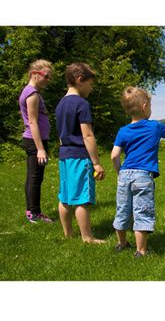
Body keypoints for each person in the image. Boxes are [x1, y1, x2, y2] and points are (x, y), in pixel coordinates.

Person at [111, 86, 165, 257]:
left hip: (125, 174)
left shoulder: (123, 131)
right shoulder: (154, 127)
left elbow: (114, 155)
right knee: (142, 211)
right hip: (143, 175)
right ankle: (141, 251)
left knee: (122, 209)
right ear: (144, 107)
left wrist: (120, 172)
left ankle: (121, 244)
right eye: (150, 105)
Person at [55, 62, 106, 244]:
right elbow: (87, 134)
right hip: (79, 156)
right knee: (81, 199)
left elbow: (61, 134)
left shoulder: (60, 104)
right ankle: (87, 237)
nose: (91, 88)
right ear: (79, 80)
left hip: (64, 156)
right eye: (90, 84)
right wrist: (96, 162)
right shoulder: (82, 104)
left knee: (65, 197)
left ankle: (68, 234)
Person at [19, 59, 54, 223]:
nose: (48, 80)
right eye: (46, 76)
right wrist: (40, 148)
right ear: (35, 73)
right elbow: (32, 122)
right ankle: (34, 213)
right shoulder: (32, 94)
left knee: (33, 176)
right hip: (35, 141)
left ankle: (31, 211)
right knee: (35, 178)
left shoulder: (32, 92)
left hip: (33, 140)